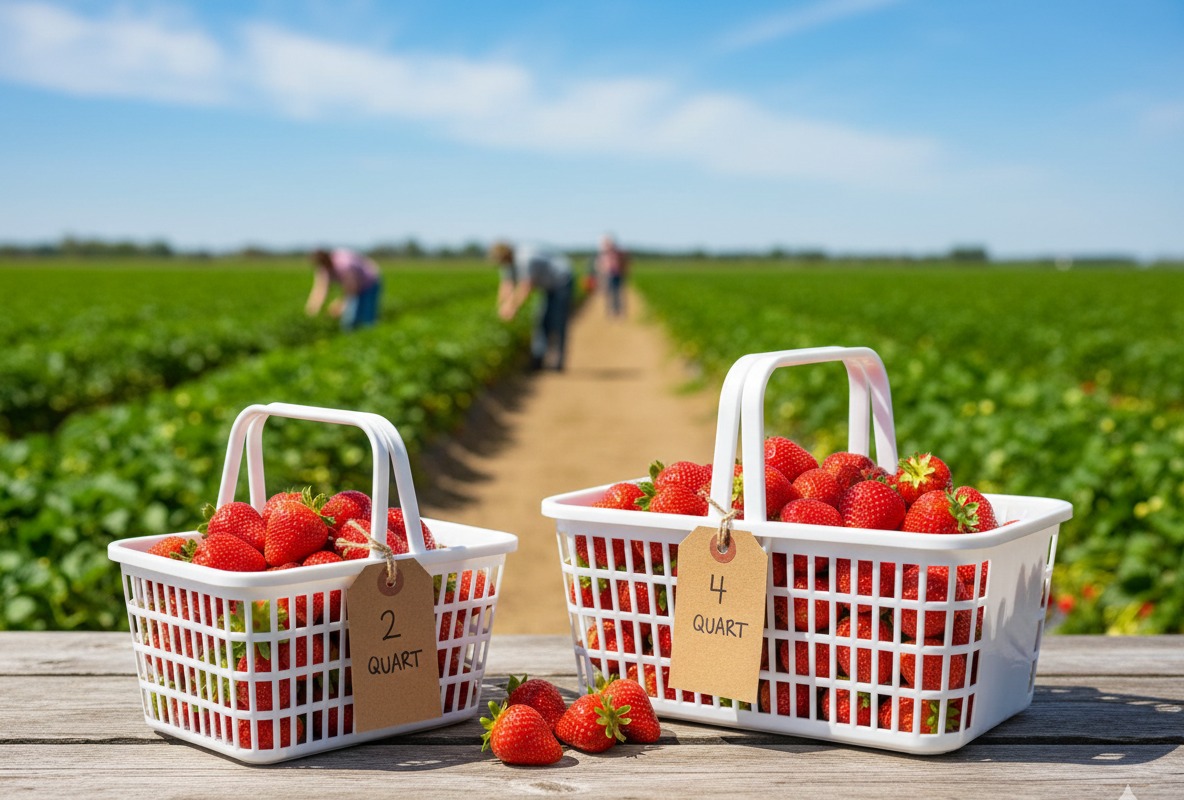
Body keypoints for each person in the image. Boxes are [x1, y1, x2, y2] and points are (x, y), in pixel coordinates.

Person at [490, 240, 575, 372]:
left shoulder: (525, 259)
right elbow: (507, 284)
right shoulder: (507, 263)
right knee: (541, 319)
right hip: (547, 285)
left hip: (561, 281)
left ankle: (559, 361)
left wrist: (512, 308)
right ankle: (538, 360)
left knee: (558, 321)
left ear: (506, 255)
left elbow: (526, 286)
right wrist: (500, 306)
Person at [305, 248, 382, 331]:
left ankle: (366, 332)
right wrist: (313, 308)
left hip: (369, 283)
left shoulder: (344, 265)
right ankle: (352, 334)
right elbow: (320, 290)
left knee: (363, 315)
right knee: (350, 318)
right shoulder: (323, 269)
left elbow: (352, 289)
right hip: (354, 286)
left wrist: (340, 305)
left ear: (326, 260)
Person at [596, 233, 629, 318]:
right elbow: (600, 266)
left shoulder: (618, 252)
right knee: (609, 294)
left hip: (618, 275)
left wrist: (624, 271)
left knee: (618, 294)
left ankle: (619, 312)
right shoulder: (604, 254)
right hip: (608, 275)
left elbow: (625, 262)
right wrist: (601, 277)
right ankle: (610, 312)